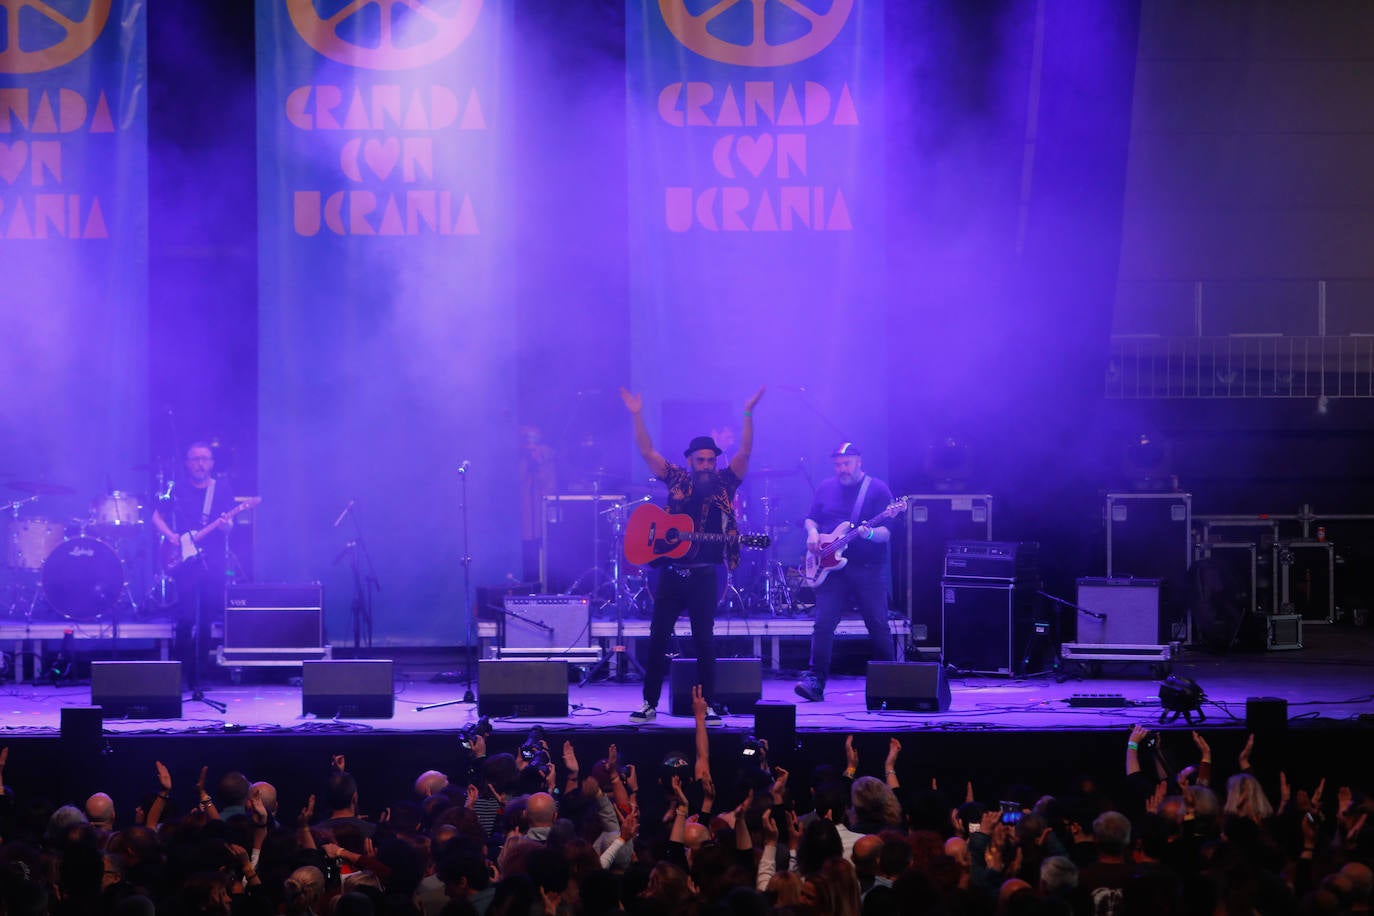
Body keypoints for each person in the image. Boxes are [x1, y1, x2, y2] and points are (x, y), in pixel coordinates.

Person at [620, 385, 764, 724]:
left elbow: (745, 451)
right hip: (672, 574)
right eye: (700, 460)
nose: (706, 465)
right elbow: (646, 450)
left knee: (704, 641)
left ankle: (709, 704)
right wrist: (637, 414)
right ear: (690, 460)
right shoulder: (677, 479)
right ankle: (648, 703)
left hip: (703, 576)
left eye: (711, 460)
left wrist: (747, 414)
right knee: (657, 638)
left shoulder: (726, 484)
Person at [795, 442, 895, 702]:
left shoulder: (877, 489)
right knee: (823, 624)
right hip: (831, 569)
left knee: (878, 625)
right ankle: (815, 681)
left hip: (867, 568)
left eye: (847, 463)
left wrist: (870, 533)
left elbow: (886, 534)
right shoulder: (826, 487)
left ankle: (892, 683)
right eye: (838, 464)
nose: (842, 469)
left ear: (859, 461)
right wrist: (813, 533)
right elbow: (810, 518)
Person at [152, 441, 238, 691]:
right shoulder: (176, 490)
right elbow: (156, 517)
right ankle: (181, 673)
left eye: (205, 459)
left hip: (213, 561)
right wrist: (171, 536)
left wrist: (226, 526)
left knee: (206, 619)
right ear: (188, 463)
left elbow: (230, 526)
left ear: (211, 463)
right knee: (186, 617)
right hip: (185, 562)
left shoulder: (221, 489)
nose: (200, 463)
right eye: (195, 459)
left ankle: (200, 675)